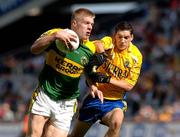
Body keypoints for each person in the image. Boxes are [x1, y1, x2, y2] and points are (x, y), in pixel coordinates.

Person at [26, 8, 105, 137]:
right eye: (86, 23)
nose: (90, 27)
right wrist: (53, 36)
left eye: (92, 24)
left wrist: (93, 85)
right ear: (74, 23)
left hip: (67, 103)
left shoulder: (91, 48)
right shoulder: (56, 34)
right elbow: (34, 49)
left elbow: (87, 70)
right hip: (45, 93)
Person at [69, 21, 143, 137]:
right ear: (115, 36)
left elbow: (129, 85)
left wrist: (107, 79)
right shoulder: (110, 42)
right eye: (119, 37)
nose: (122, 40)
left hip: (115, 102)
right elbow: (98, 43)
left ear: (131, 38)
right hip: (95, 97)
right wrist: (103, 54)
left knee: (116, 122)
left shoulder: (136, 56)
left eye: (126, 37)